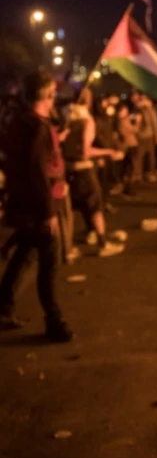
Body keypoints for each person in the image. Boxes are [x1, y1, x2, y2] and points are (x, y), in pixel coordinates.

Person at [0, 69, 73, 342]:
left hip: (21, 203)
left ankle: (4, 306)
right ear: (47, 95)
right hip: (38, 207)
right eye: (53, 91)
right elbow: (37, 171)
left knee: (24, 255)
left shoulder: (21, 122)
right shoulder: (39, 128)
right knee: (48, 265)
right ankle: (54, 321)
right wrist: (48, 212)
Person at [61, 92, 125, 258]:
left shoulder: (66, 120)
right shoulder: (86, 122)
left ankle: (68, 247)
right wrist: (108, 152)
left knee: (77, 206)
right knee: (95, 205)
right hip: (83, 169)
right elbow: (85, 151)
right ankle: (103, 243)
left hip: (68, 169)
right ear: (88, 103)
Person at [116, 103, 141, 198]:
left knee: (130, 167)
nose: (126, 112)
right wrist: (138, 122)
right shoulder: (122, 122)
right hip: (129, 146)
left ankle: (128, 186)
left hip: (132, 145)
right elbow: (134, 130)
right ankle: (127, 187)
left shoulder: (126, 119)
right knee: (130, 168)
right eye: (124, 111)